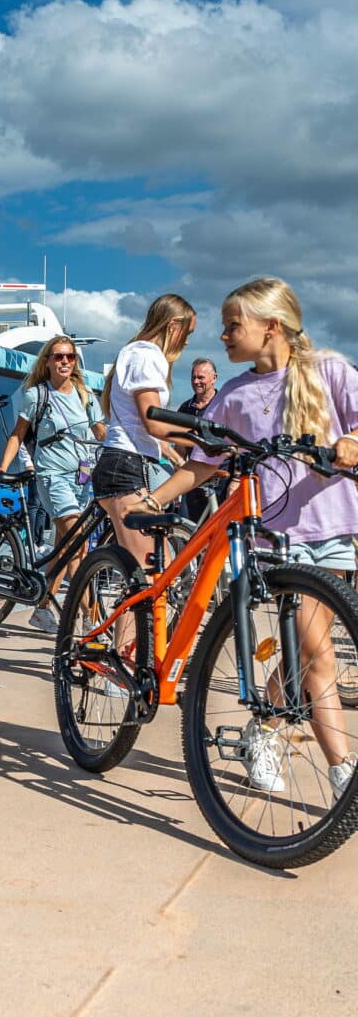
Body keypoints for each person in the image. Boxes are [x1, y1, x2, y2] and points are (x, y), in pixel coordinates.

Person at [133, 276, 358, 798]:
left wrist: (350, 440)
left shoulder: (329, 371)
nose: (224, 335)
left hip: (334, 528)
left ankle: (264, 730)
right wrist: (156, 500)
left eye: (233, 325)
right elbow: (203, 464)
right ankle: (344, 771)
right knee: (319, 653)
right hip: (279, 537)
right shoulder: (234, 395)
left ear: (271, 326)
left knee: (307, 652)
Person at [0, 336, 107, 632]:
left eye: (70, 356)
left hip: (82, 477)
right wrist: (2, 466)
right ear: (47, 361)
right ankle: (91, 621)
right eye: (58, 356)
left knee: (64, 548)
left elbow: (100, 432)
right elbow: (18, 434)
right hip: (52, 476)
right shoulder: (37, 395)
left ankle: (42, 609)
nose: (65, 361)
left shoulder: (85, 394)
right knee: (78, 543)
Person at [91, 294, 197, 568]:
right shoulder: (146, 356)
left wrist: (176, 456)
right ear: (173, 325)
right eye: (187, 332)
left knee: (156, 567)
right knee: (151, 569)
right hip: (123, 468)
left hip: (125, 465)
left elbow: (143, 428)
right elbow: (154, 423)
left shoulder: (137, 353)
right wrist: (201, 437)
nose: (187, 341)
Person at [177, 357, 225, 523]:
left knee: (222, 528)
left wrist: (235, 480)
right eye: (193, 377)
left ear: (214, 378)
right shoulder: (185, 408)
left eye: (201, 377)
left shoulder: (224, 404)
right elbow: (180, 448)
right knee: (190, 527)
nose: (196, 381)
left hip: (222, 479)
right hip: (194, 478)